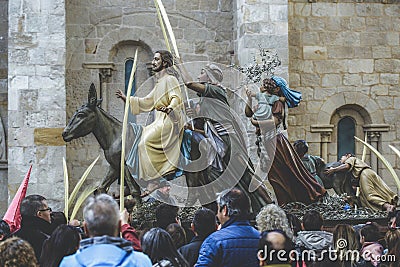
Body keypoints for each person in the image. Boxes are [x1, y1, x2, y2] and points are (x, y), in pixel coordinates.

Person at [177, 59, 272, 214]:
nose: (199, 75)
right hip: (216, 141)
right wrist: (194, 115)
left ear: (209, 76)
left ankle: (270, 205)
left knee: (245, 174)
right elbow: (204, 124)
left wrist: (180, 64)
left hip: (227, 139)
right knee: (220, 177)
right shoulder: (206, 98)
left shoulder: (216, 90)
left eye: (202, 72)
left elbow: (189, 83)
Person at [245, 76, 326, 205]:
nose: (262, 89)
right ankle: (284, 204)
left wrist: (256, 122)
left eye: (266, 87)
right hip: (265, 141)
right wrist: (249, 98)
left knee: (278, 177)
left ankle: (287, 204)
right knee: (275, 177)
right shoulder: (264, 102)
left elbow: (274, 121)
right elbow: (248, 113)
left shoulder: (277, 103)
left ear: (275, 90)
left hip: (274, 142)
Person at [116, 50, 184, 191]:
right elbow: (148, 101)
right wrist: (127, 99)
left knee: (145, 143)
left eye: (156, 59)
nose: (153, 62)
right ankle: (142, 179)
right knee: (139, 140)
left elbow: (176, 97)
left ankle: (155, 179)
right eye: (153, 59)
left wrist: (170, 108)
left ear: (164, 63)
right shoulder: (160, 82)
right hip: (159, 121)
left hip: (169, 121)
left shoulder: (170, 79)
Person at [59, 194, 152, 267]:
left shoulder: (68, 263)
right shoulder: (140, 261)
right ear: (119, 225)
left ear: (86, 228)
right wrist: (125, 225)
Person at [196, 188, 260, 267]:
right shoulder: (262, 239)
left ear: (224, 210)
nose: (217, 215)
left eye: (218, 209)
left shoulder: (214, 241)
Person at [325, 153, 398, 211]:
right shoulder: (352, 170)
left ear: (348, 156)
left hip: (364, 174)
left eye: (342, 158)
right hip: (367, 174)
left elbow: (346, 166)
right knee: (364, 200)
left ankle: (388, 206)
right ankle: (385, 206)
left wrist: (333, 170)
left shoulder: (351, 159)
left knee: (369, 196)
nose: (340, 160)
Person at [13, 194, 53, 261]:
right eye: (48, 209)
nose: (50, 213)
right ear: (39, 214)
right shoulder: (47, 241)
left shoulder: (11, 239)